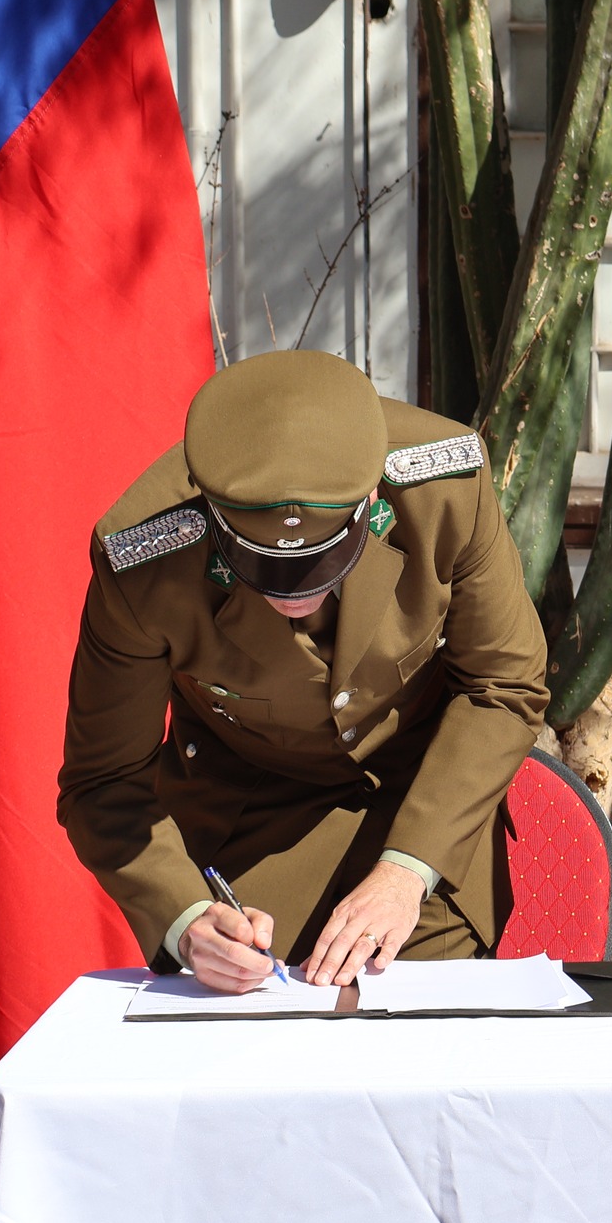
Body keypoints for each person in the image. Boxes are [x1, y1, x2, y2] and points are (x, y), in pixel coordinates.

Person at [58, 348, 550, 993]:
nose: (294, 594)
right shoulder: (145, 558)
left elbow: (503, 685)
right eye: (260, 567)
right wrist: (185, 920)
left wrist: (407, 869)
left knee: (415, 1046)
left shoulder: (440, 487)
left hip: (424, 804)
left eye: (324, 562)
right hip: (252, 825)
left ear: (368, 502)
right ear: (212, 517)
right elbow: (102, 779)